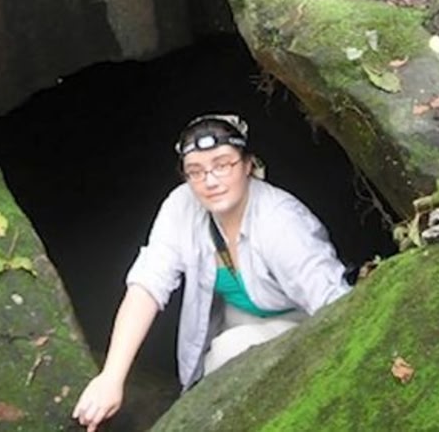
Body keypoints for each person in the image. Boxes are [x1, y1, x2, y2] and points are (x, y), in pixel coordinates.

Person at [72, 114, 351, 431]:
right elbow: (147, 285)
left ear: (248, 165)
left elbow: (335, 304)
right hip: (241, 317)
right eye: (196, 171)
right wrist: (111, 377)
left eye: (223, 165)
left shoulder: (281, 221)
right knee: (218, 356)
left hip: (302, 320)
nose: (211, 181)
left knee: (228, 351)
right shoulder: (182, 205)